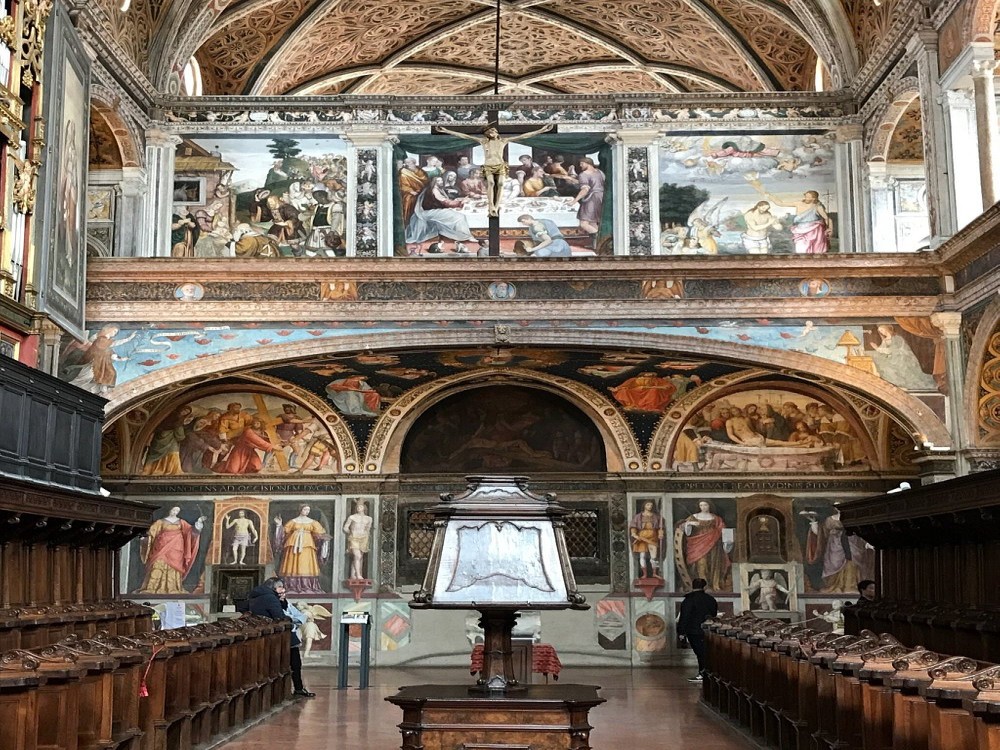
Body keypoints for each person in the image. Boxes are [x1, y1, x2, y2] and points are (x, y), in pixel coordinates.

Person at [433, 123, 554, 216]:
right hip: (489, 166)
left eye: (494, 131)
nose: (492, 133)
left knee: (500, 184)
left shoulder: (503, 141)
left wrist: (542, 130)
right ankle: (492, 207)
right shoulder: (483, 142)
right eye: (490, 132)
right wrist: (446, 130)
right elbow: (465, 136)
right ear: (487, 134)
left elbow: (523, 136)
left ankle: (497, 206)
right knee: (491, 184)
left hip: (500, 166)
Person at [247, 577, 315, 697]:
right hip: (280, 637)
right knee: (291, 664)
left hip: (273, 636)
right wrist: (292, 619)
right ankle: (292, 690)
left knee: (290, 664)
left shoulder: (259, 596)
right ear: (273, 588)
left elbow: (299, 616)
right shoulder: (270, 598)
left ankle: (293, 689)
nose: (283, 590)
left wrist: (293, 616)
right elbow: (281, 618)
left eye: (283, 588)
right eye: (280, 588)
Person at [137, 507, 207, 594]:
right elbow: (151, 533)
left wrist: (198, 523)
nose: (175, 512)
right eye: (173, 510)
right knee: (157, 564)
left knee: (174, 568)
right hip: (161, 547)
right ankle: (153, 587)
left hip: (176, 548)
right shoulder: (160, 522)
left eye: (177, 511)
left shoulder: (181, 522)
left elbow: (190, 532)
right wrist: (144, 538)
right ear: (169, 510)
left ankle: (172, 588)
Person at [274, 505, 331, 593]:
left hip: (307, 544)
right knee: (292, 563)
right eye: (305, 509)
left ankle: (306, 586)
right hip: (293, 544)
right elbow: (283, 533)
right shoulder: (293, 521)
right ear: (300, 510)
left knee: (306, 564)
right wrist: (279, 525)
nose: (307, 511)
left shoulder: (313, 522)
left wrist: (323, 539)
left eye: (308, 510)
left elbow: (320, 533)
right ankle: (292, 586)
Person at [676, 500, 731, 591]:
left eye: (705, 505)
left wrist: (727, 541)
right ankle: (702, 585)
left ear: (709, 506)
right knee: (701, 564)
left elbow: (723, 530)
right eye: (701, 505)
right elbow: (683, 528)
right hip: (697, 544)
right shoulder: (693, 517)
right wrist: (689, 524)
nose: (703, 507)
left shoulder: (716, 518)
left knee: (712, 564)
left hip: (713, 544)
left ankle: (713, 584)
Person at [677, 577, 718, 682]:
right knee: (706, 653)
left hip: (694, 631)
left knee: (700, 653)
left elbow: (684, 616)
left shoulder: (689, 600)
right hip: (708, 631)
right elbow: (714, 614)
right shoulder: (710, 599)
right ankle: (707, 673)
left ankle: (703, 674)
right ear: (704, 586)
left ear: (692, 586)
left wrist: (681, 631)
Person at [571, 157, 605, 248]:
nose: (580, 165)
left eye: (582, 163)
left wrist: (574, 201)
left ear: (588, 163)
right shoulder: (600, 172)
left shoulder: (583, 174)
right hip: (601, 197)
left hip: (591, 199)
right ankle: (596, 245)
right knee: (593, 222)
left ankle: (599, 238)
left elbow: (585, 189)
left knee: (584, 223)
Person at [630, 501, 665, 578]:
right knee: (642, 556)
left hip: (653, 538)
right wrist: (634, 534)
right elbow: (633, 527)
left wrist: (660, 533)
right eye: (648, 505)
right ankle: (644, 574)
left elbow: (660, 527)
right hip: (642, 538)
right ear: (644, 506)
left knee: (653, 556)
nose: (650, 506)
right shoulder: (638, 516)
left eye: (651, 505)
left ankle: (654, 573)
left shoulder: (656, 517)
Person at [343, 500, 374, 580]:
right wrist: (351, 532)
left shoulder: (369, 519)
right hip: (354, 538)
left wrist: (366, 535)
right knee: (357, 555)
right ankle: (358, 575)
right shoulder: (352, 517)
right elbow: (345, 527)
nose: (358, 508)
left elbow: (368, 529)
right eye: (357, 507)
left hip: (364, 538)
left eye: (360, 506)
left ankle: (353, 575)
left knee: (359, 557)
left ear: (364, 508)